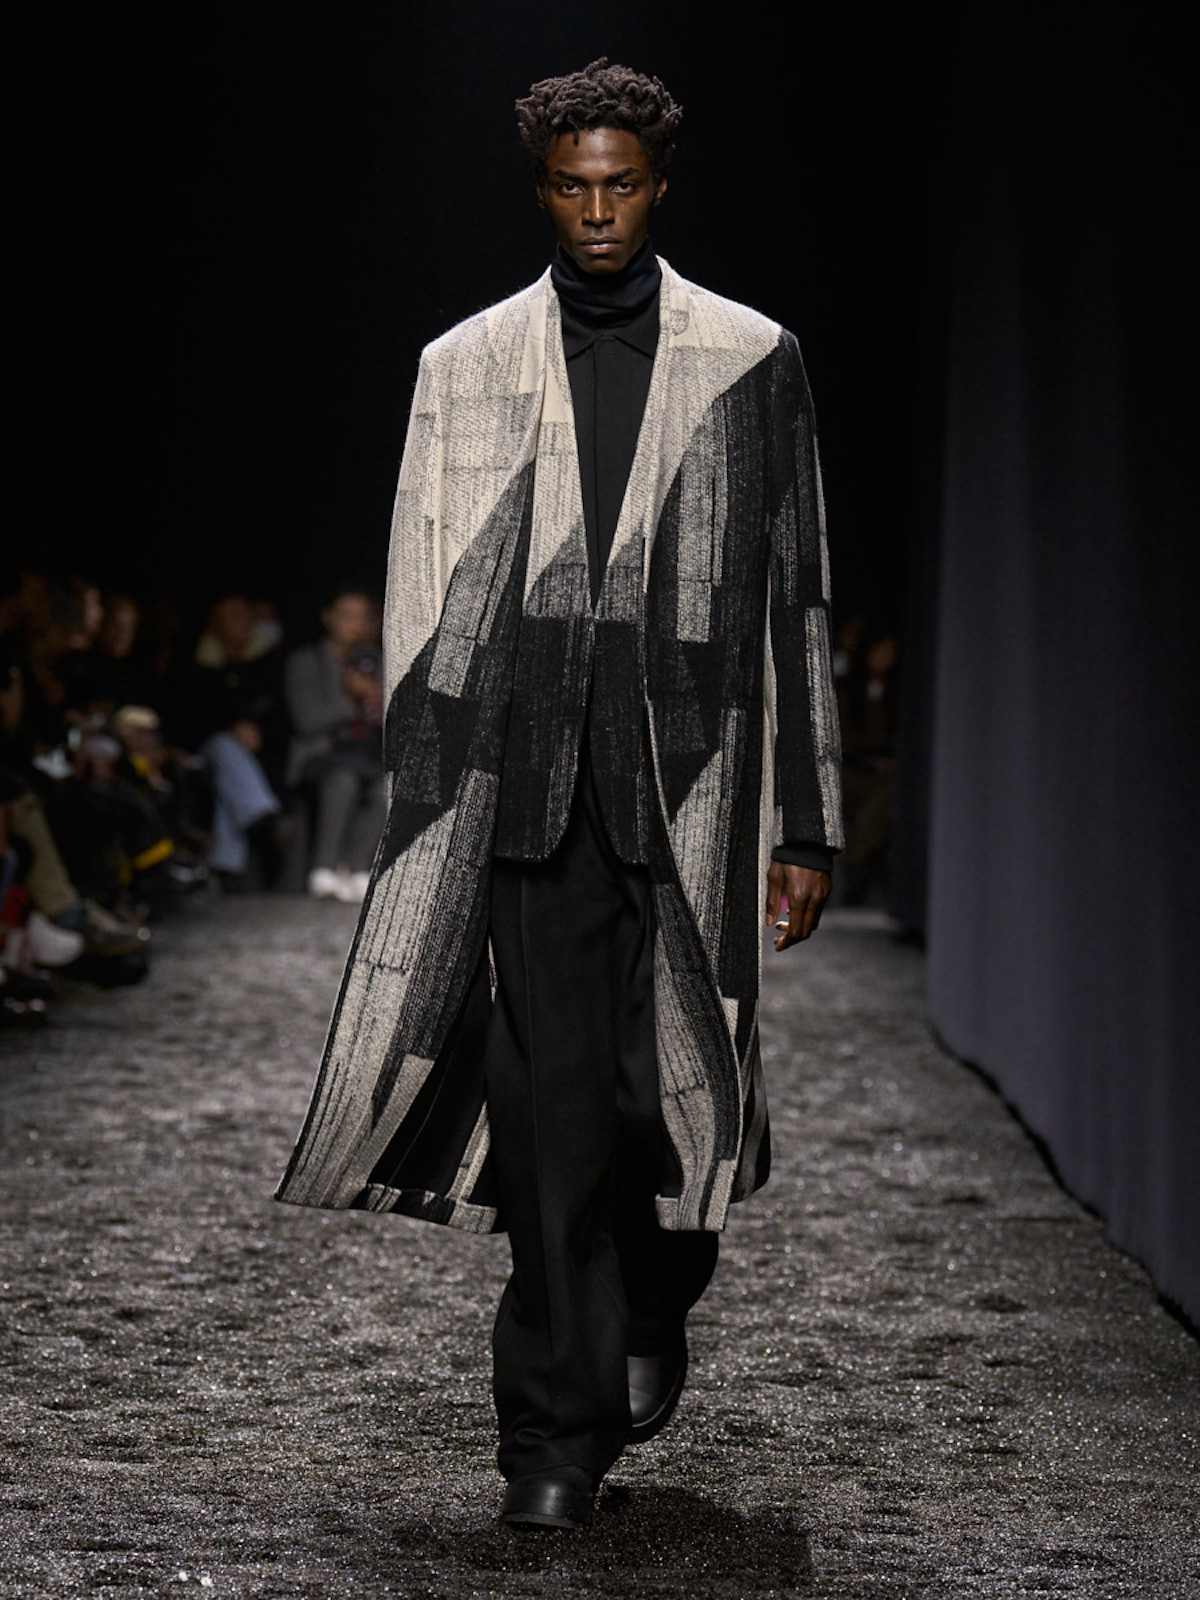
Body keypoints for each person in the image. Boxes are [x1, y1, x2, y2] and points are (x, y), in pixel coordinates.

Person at [275, 59, 843, 1532]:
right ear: (542, 190)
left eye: (622, 185)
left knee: (669, 1101)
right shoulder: (461, 364)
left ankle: (655, 1290)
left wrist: (807, 818)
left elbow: (796, 600)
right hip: (523, 795)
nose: (599, 211)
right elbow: (419, 583)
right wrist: (426, 813)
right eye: (574, 187)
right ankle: (550, 1437)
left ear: (659, 187)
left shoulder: (752, 358)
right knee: (543, 1120)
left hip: (697, 800)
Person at [282, 588, 386, 903]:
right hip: (320, 755)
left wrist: (376, 704)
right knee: (343, 779)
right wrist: (351, 699)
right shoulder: (306, 661)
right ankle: (324, 867)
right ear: (329, 618)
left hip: (367, 754)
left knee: (388, 785)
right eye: (347, 616)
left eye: (362, 617)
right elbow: (307, 721)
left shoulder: (378, 661)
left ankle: (358, 868)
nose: (355, 624)